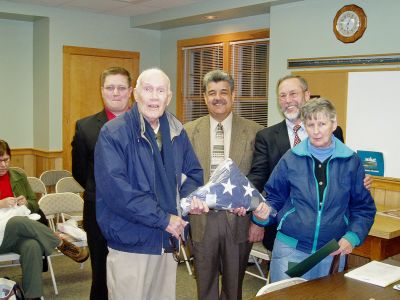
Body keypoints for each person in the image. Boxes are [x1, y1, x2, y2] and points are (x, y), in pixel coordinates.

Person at [94, 68, 203, 300]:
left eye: (160, 91)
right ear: (136, 94)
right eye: (148, 89)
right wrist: (163, 219)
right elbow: (118, 192)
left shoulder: (177, 131)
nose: (154, 97)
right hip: (130, 242)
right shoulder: (113, 133)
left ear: (169, 97)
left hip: (167, 241)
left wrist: (185, 204)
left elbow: (193, 174)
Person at [252, 98, 376, 282]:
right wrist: (262, 214)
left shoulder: (351, 161)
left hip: (331, 251)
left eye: (322, 124)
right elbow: (275, 199)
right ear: (304, 126)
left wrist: (352, 236)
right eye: (310, 125)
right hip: (291, 250)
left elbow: (363, 208)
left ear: (334, 124)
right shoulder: (290, 158)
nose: (316, 131)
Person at [248, 75, 371, 251]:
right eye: (282, 95)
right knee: (287, 279)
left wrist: (361, 181)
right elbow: (263, 183)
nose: (288, 100)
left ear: (307, 95)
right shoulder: (267, 137)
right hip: (284, 236)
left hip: (330, 243)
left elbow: (344, 177)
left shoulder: (338, 140)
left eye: (293, 93)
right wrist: (256, 214)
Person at [184, 70, 264, 300]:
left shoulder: (255, 132)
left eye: (223, 92)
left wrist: (258, 220)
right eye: (211, 93)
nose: (217, 98)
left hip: (238, 219)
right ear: (204, 97)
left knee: (234, 286)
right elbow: (181, 176)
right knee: (205, 284)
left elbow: (260, 178)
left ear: (233, 94)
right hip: (201, 218)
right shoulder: (188, 132)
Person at [0, 139, 89, 300]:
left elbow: (34, 205)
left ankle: (32, 296)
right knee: (17, 221)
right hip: (3, 235)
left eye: (6, 160)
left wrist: (26, 202)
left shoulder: (18, 176)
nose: (3, 165)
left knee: (32, 245)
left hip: (17, 234)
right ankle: (60, 243)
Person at [71, 66, 132, 300]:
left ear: (130, 92)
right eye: (110, 87)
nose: (115, 93)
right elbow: (80, 171)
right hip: (98, 210)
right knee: (101, 272)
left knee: (131, 270)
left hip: (136, 212)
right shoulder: (85, 126)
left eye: (121, 87)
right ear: (102, 91)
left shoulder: (145, 124)